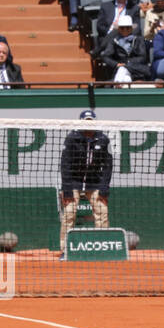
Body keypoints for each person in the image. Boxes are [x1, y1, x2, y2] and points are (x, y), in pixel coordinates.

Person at [57, 110, 112, 257]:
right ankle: (65, 250)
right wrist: (67, 189)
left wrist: (104, 188)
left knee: (102, 212)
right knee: (69, 214)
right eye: (86, 120)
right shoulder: (71, 138)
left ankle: (102, 248)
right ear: (80, 121)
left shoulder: (103, 139)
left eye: (91, 120)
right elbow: (65, 165)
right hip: (73, 182)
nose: (88, 123)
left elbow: (107, 165)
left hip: (94, 182)